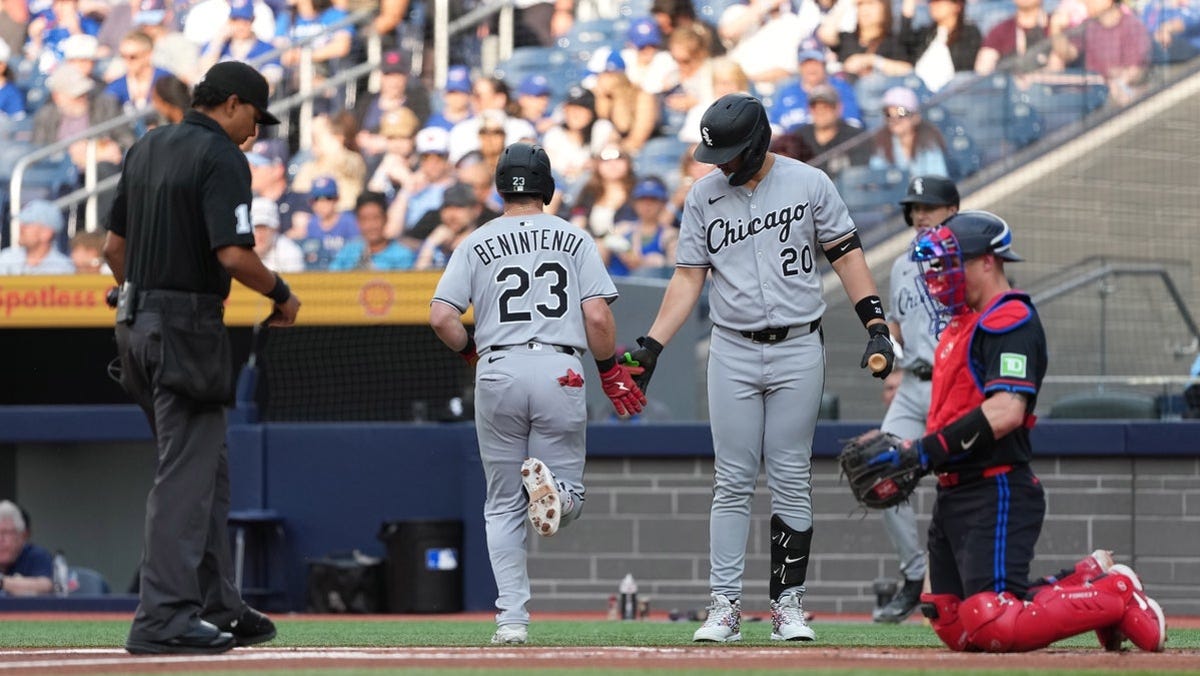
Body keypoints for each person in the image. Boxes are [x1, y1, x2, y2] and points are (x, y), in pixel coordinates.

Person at [622, 93, 895, 643]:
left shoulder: (809, 183)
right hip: (732, 348)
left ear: (758, 141)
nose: (718, 162)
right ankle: (723, 605)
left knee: (791, 475)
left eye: (727, 151)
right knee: (733, 479)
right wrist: (652, 344)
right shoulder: (703, 196)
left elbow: (846, 255)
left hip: (798, 346)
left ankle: (788, 606)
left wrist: (877, 326)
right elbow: (687, 277)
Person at [896, 211, 1166, 652]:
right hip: (954, 491)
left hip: (996, 486)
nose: (943, 277)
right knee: (952, 622)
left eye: (953, 264)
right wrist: (914, 454)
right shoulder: (960, 325)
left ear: (988, 261)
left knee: (992, 619)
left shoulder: (1011, 319)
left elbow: (1007, 411)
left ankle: (1114, 596)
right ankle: (1088, 578)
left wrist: (923, 452)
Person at [103, 60, 300, 655]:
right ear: (233, 103)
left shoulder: (147, 147)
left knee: (203, 469)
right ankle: (163, 617)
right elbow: (235, 255)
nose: (255, 133)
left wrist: (138, 289)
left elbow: (115, 248)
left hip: (134, 325)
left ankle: (216, 603)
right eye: (254, 119)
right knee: (185, 480)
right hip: (185, 327)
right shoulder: (221, 156)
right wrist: (281, 294)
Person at [428, 141, 646, 645]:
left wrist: (471, 354)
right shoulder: (573, 237)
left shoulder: (475, 240)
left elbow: (441, 316)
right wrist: (611, 369)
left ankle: (511, 622)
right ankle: (558, 495)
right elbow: (597, 315)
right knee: (569, 496)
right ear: (546, 187)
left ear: (500, 187)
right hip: (559, 366)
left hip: (499, 367)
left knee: (501, 503)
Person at [870, 175, 958, 624]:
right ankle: (913, 574)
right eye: (914, 207)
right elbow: (900, 326)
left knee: (960, 484)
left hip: (955, 384)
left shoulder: (970, 258)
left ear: (952, 211)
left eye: (930, 206)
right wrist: (889, 352)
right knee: (880, 470)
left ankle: (953, 583)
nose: (920, 214)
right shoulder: (903, 264)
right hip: (913, 383)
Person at [869, 86, 949, 177]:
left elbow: (937, 181)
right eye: (888, 114)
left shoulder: (928, 142)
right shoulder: (881, 143)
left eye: (901, 113)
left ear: (915, 117)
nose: (894, 119)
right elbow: (877, 179)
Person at [328, 191, 415, 271]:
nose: (371, 225)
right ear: (358, 222)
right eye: (365, 219)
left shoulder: (403, 256)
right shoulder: (348, 251)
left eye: (376, 218)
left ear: (385, 219)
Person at [0, 201, 75, 274]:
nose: (20, 227)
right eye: (21, 223)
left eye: (27, 224)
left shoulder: (63, 270)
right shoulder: (6, 258)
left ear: (46, 233)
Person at [0, 500, 53, 596]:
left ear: (22, 536)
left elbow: (45, 586)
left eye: (6, 532)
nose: (1, 539)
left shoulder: (36, 555)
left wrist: (3, 583)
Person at [251, 196, 305, 273]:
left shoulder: (290, 253)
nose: (259, 235)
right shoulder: (238, 253)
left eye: (264, 228)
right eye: (255, 228)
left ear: (276, 229)